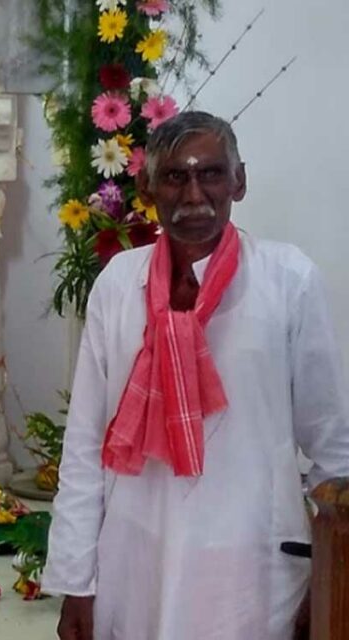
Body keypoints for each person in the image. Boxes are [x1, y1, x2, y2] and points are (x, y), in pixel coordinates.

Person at [42, 111, 349, 640]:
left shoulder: (288, 280)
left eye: (210, 174)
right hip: (136, 563)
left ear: (239, 181)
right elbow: (86, 445)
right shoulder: (119, 285)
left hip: (251, 572)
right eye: (174, 177)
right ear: (147, 188)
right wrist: (76, 582)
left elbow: (334, 447)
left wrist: (328, 580)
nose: (193, 195)